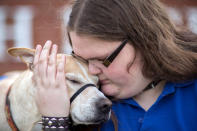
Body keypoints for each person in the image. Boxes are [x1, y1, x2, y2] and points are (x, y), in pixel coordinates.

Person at [33, 0, 197, 130]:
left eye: (103, 58)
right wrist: (55, 121)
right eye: (82, 60)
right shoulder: (77, 99)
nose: (91, 70)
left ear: (145, 40)